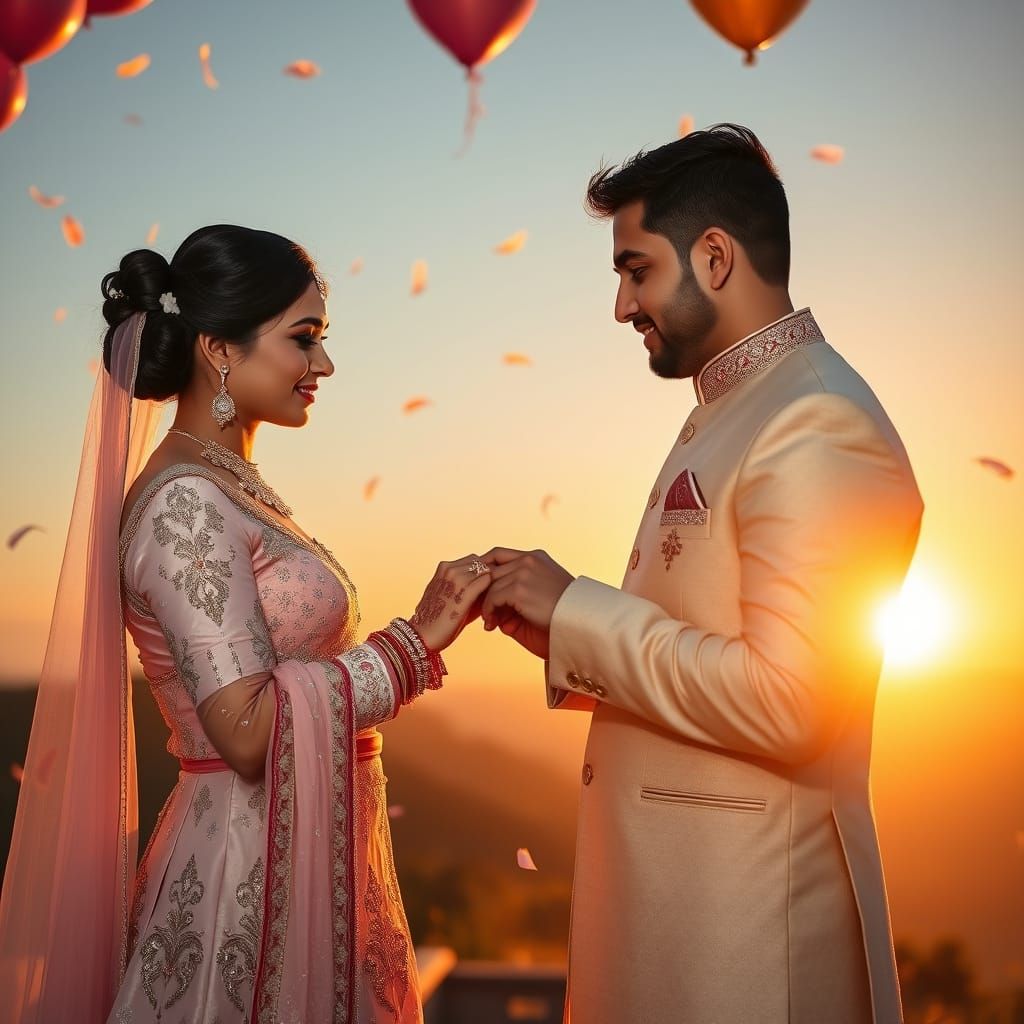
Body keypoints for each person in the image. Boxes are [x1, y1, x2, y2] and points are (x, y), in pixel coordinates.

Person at [480, 125, 923, 1023]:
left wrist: (580, 611)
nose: (620, 305)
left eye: (635, 270)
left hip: (751, 951)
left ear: (713, 257)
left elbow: (789, 703)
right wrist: (561, 629)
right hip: (691, 933)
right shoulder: (742, 404)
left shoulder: (816, 420)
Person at [0, 225, 493, 1024]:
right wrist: (413, 644)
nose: (324, 365)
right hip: (240, 887)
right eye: (305, 339)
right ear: (219, 349)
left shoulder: (229, 486)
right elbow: (245, 729)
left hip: (288, 863)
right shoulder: (185, 503)